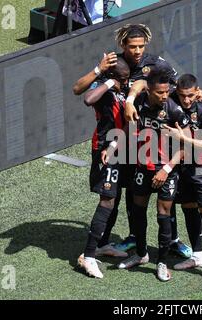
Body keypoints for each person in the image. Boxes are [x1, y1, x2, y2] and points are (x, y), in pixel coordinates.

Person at [73, 24, 192, 259]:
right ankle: (132, 238)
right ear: (123, 45)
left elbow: (174, 88)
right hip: (122, 138)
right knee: (128, 191)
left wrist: (196, 95)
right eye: (132, 46)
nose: (137, 51)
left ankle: (174, 239)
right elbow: (79, 90)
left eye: (141, 46)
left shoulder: (157, 63)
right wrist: (99, 70)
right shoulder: (112, 64)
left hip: (151, 139)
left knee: (165, 190)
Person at [116, 69, 191, 281]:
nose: (164, 95)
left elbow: (187, 147)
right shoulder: (139, 103)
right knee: (138, 212)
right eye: (160, 92)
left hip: (166, 171)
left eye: (167, 91)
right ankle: (141, 254)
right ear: (150, 91)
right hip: (142, 167)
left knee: (163, 215)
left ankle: (162, 262)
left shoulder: (174, 111)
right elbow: (138, 83)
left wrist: (166, 170)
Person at [163, 74, 202, 282]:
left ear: (197, 91)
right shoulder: (171, 101)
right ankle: (198, 256)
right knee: (188, 208)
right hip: (183, 167)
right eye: (183, 96)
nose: (187, 100)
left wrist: (183, 138)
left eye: (191, 95)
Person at [77, 57, 131, 279]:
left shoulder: (125, 91)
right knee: (107, 199)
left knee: (115, 196)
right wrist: (109, 83)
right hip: (103, 148)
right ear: (113, 78)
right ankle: (88, 256)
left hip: (121, 146)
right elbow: (87, 99)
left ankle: (103, 244)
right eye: (123, 79)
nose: (126, 83)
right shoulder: (103, 90)